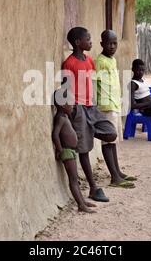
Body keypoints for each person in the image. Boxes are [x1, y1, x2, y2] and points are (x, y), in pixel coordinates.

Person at [61, 27, 135, 203]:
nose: (91, 42)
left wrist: (93, 102)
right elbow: (65, 87)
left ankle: (88, 131)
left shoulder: (89, 61)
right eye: (88, 39)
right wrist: (70, 109)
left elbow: (92, 84)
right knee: (84, 150)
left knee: (111, 133)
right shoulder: (69, 63)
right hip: (78, 108)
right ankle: (93, 188)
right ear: (78, 43)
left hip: (91, 107)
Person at [95, 30, 137, 182]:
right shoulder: (100, 62)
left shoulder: (112, 60)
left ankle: (117, 172)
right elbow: (95, 84)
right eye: (108, 43)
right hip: (105, 106)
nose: (112, 46)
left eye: (114, 43)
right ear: (102, 44)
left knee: (113, 141)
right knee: (108, 140)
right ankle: (114, 177)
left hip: (114, 104)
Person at [52, 90, 96, 213]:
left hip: (70, 151)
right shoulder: (60, 118)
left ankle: (82, 201)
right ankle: (81, 205)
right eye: (70, 103)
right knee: (73, 180)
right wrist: (60, 151)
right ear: (62, 105)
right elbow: (55, 135)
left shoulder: (65, 116)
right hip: (66, 151)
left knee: (75, 179)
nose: (73, 105)